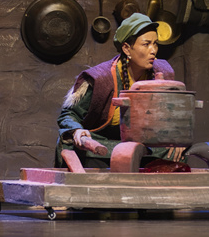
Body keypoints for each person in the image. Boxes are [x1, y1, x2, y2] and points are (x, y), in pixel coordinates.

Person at [56, 13, 185, 168]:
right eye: (146, 44)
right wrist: (77, 130)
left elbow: (173, 115)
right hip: (106, 144)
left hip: (146, 144)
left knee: (176, 153)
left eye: (155, 44)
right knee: (80, 148)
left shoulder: (163, 73)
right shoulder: (101, 78)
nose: (153, 50)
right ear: (126, 49)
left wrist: (177, 137)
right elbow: (69, 114)